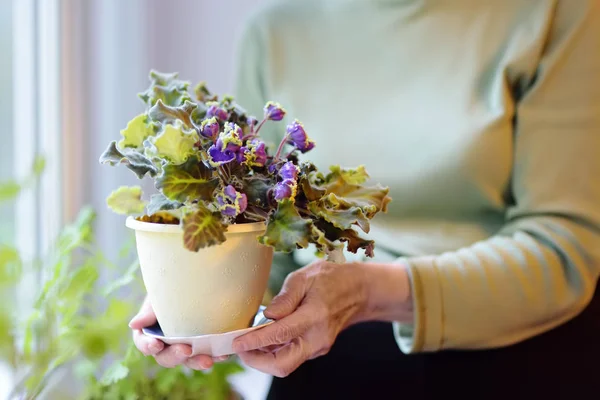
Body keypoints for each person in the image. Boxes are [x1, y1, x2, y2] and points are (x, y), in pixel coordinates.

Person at [130, 0, 600, 398]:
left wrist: (367, 292)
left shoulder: (556, 13)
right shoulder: (278, 28)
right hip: (326, 363)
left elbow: (564, 251)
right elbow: (267, 241)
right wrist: (201, 293)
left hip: (515, 360)